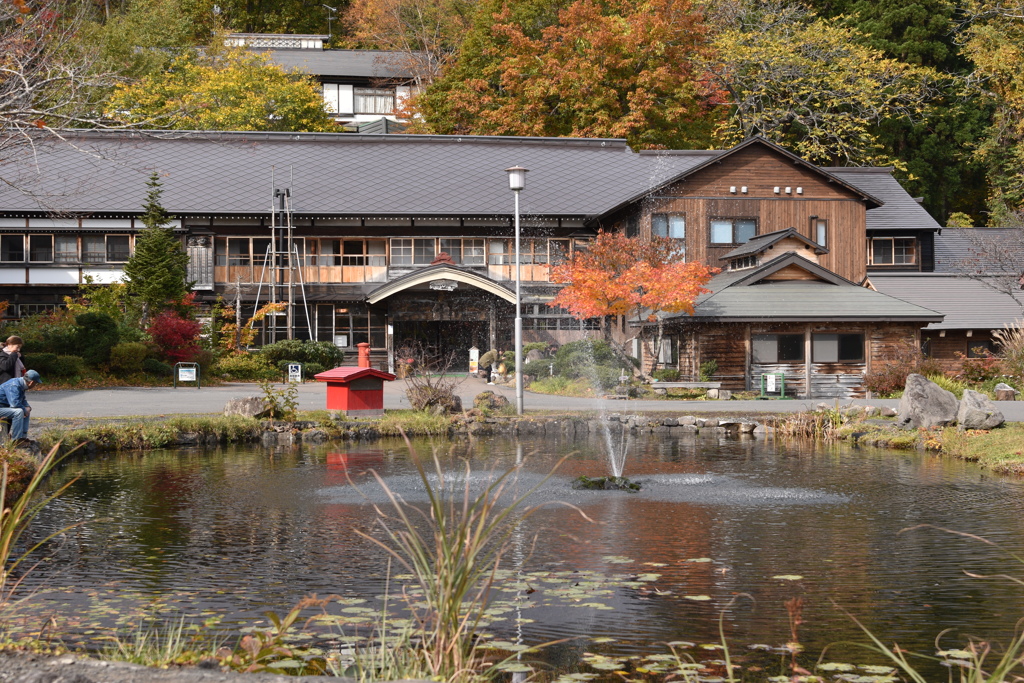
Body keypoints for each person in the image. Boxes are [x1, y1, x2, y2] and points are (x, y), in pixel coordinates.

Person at [0, 368, 41, 444]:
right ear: (31, 382)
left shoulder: (21, 384)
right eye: (36, 383)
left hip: (3, 408)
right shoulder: (14, 385)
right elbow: (14, 404)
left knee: (25, 410)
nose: (35, 385)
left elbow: (22, 399)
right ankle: (16, 440)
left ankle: (23, 437)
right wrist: (25, 410)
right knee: (19, 412)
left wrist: (28, 407)